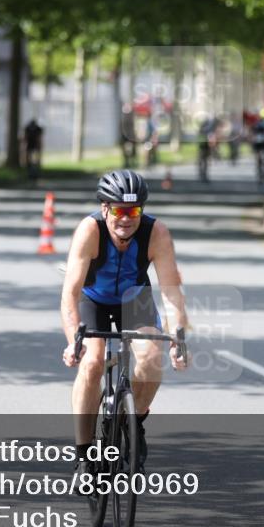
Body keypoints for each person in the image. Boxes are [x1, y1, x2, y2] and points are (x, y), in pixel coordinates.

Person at [61, 170, 190, 470]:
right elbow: (70, 294)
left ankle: (133, 423)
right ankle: (84, 457)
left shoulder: (156, 233)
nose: (126, 218)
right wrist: (73, 343)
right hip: (93, 298)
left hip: (134, 297)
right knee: (92, 363)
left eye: (133, 211)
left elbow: (171, 292)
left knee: (152, 357)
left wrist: (179, 340)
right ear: (105, 208)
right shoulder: (89, 230)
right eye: (119, 210)